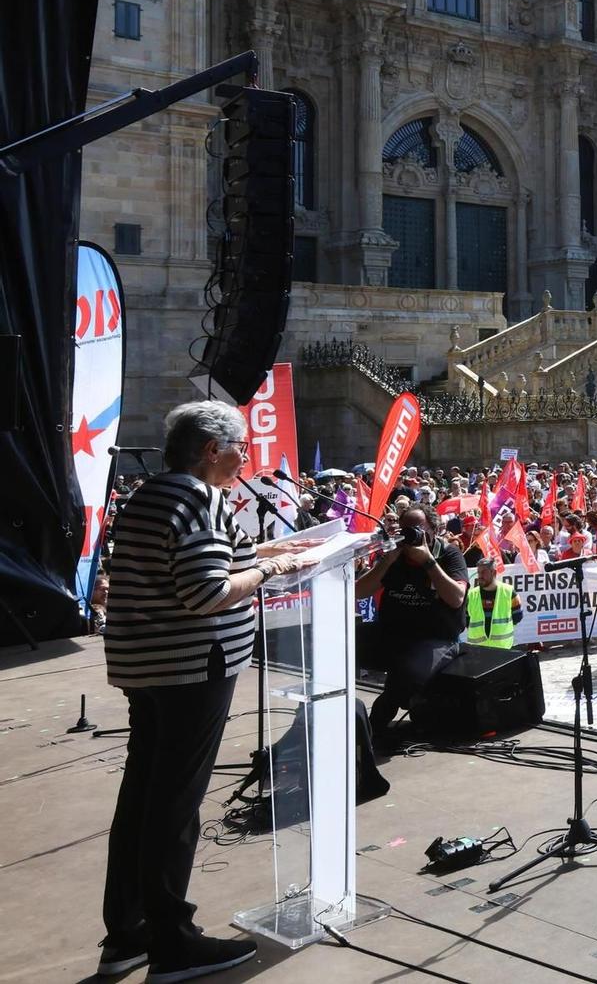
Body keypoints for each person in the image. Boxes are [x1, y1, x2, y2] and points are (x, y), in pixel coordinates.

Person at [99, 400, 311, 981]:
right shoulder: (199, 496)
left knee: (144, 798)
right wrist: (269, 573)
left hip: (149, 667)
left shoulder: (152, 492)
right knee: (175, 806)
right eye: (240, 447)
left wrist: (264, 553)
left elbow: (189, 569)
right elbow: (207, 594)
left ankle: (128, 932)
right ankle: (174, 942)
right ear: (213, 450)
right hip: (191, 669)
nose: (246, 457)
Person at [356, 505, 470, 742]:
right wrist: (386, 562)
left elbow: (456, 598)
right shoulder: (396, 556)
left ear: (434, 530)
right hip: (395, 633)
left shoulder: (448, 554)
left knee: (407, 673)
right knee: (345, 646)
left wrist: (428, 562)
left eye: (417, 530)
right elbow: (359, 591)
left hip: (437, 637)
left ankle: (374, 725)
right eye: (405, 530)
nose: (410, 537)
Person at [464, 556, 522, 649]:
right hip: (477, 650)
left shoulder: (509, 592)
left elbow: (517, 617)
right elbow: (465, 620)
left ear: (494, 572)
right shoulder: (471, 595)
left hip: (502, 649)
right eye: (478, 572)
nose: (480, 576)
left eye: (483, 572)